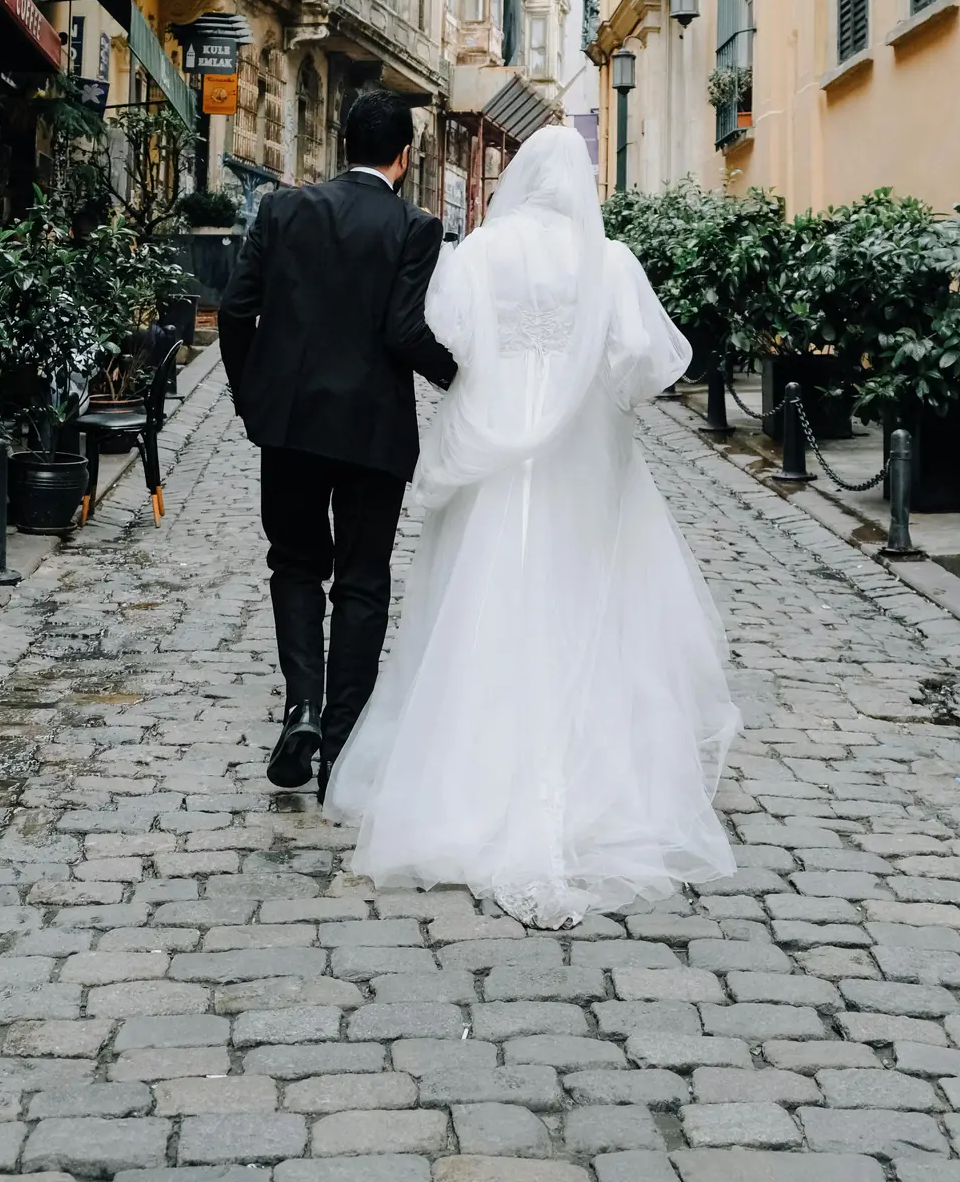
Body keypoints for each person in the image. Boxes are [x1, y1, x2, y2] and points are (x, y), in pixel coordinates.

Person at [326, 125, 741, 929]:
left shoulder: (482, 252)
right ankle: (591, 767)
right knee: (584, 593)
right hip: (581, 453)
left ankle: (469, 766)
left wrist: (505, 374)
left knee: (487, 589)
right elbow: (642, 359)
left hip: (498, 450)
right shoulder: (609, 261)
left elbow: (445, 335)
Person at [218, 88, 456, 801]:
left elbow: (235, 310)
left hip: (290, 426)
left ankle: (302, 708)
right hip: (373, 431)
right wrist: (462, 377)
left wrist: (251, 398)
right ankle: (343, 744)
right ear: (405, 157)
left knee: (294, 565)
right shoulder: (415, 227)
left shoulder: (283, 209)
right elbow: (404, 333)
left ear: (342, 143)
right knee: (362, 578)